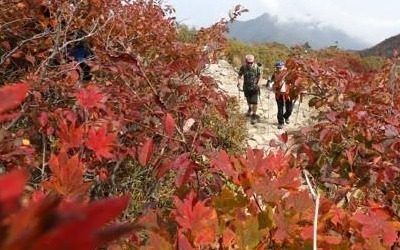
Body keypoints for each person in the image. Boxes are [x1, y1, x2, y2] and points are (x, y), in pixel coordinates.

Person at [237, 54, 261, 124]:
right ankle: (250, 109)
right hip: (246, 87)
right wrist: (238, 82)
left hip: (254, 88)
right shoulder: (243, 67)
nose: (250, 64)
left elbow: (259, 76)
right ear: (246, 61)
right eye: (248, 62)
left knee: (254, 102)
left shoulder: (256, 67)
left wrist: (258, 84)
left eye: (251, 63)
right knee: (248, 100)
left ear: (253, 61)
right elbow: (239, 75)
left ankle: (254, 115)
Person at [272, 60, 293, 129]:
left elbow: (294, 82)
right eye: (277, 67)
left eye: (279, 67)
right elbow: (271, 82)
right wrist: (272, 86)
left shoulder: (289, 74)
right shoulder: (275, 74)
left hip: (288, 94)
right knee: (280, 109)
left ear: (284, 67)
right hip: (279, 94)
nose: (278, 69)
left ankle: (286, 116)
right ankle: (280, 122)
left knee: (289, 110)